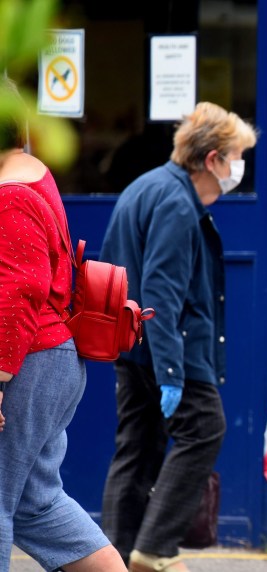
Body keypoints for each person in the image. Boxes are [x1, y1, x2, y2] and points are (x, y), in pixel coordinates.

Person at [99, 102, 257, 572]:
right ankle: (156, 548)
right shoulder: (174, 202)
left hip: (135, 348)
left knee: (138, 448)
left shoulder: (147, 187)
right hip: (171, 350)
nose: (239, 168)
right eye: (236, 156)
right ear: (212, 159)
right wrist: (171, 373)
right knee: (205, 429)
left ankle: (115, 555)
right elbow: (162, 296)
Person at [0, 77, 126, 572]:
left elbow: (16, 296)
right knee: (37, 504)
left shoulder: (9, 193)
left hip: (27, 365)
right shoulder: (32, 173)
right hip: (50, 361)